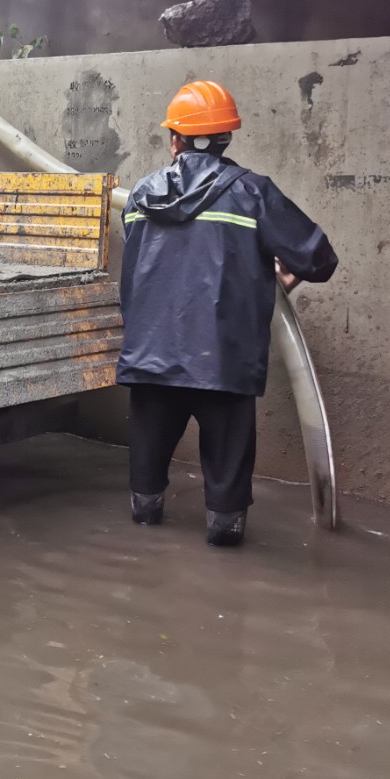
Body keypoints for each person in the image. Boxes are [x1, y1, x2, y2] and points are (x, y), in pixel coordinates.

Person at [117, 80, 338, 547]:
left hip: (150, 358)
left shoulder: (140, 196)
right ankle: (225, 550)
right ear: (226, 139)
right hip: (223, 361)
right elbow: (318, 258)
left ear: (174, 138)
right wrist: (284, 278)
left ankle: (144, 545)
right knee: (226, 499)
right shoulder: (253, 194)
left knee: (146, 489)